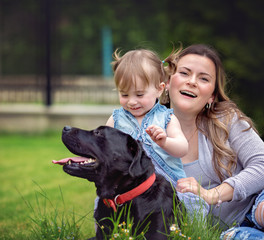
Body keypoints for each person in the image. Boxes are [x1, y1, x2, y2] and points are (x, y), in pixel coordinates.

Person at [162, 44, 264, 238]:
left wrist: (212, 195)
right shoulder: (150, 136)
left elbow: (262, 164)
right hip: (231, 232)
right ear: (167, 82)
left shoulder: (226, 119)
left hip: (257, 200)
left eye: (203, 78)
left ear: (212, 95)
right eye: (184, 73)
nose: (192, 82)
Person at [106, 48, 189, 182]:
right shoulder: (116, 119)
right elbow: (105, 147)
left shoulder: (166, 118)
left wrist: (165, 142)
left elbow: (182, 149)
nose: (132, 101)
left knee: (185, 202)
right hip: (129, 184)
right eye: (124, 94)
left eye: (139, 94)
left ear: (159, 89)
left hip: (166, 185)